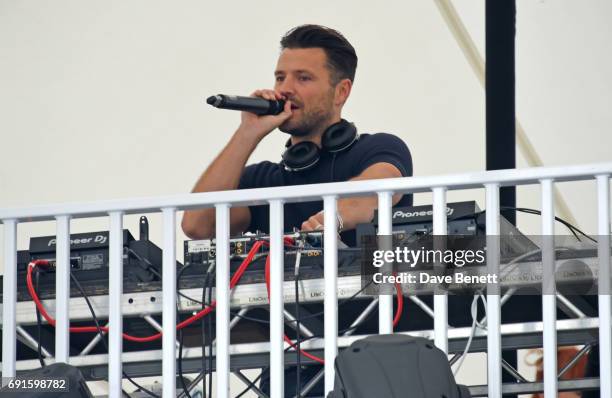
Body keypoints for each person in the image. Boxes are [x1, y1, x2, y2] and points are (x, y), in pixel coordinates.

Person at [181, 24, 413, 396]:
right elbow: (196, 223)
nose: (286, 87)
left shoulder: (378, 148)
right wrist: (247, 133)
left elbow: (375, 194)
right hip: (292, 372)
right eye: (280, 76)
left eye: (303, 77)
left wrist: (332, 218)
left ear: (341, 92)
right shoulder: (263, 179)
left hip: (375, 361)